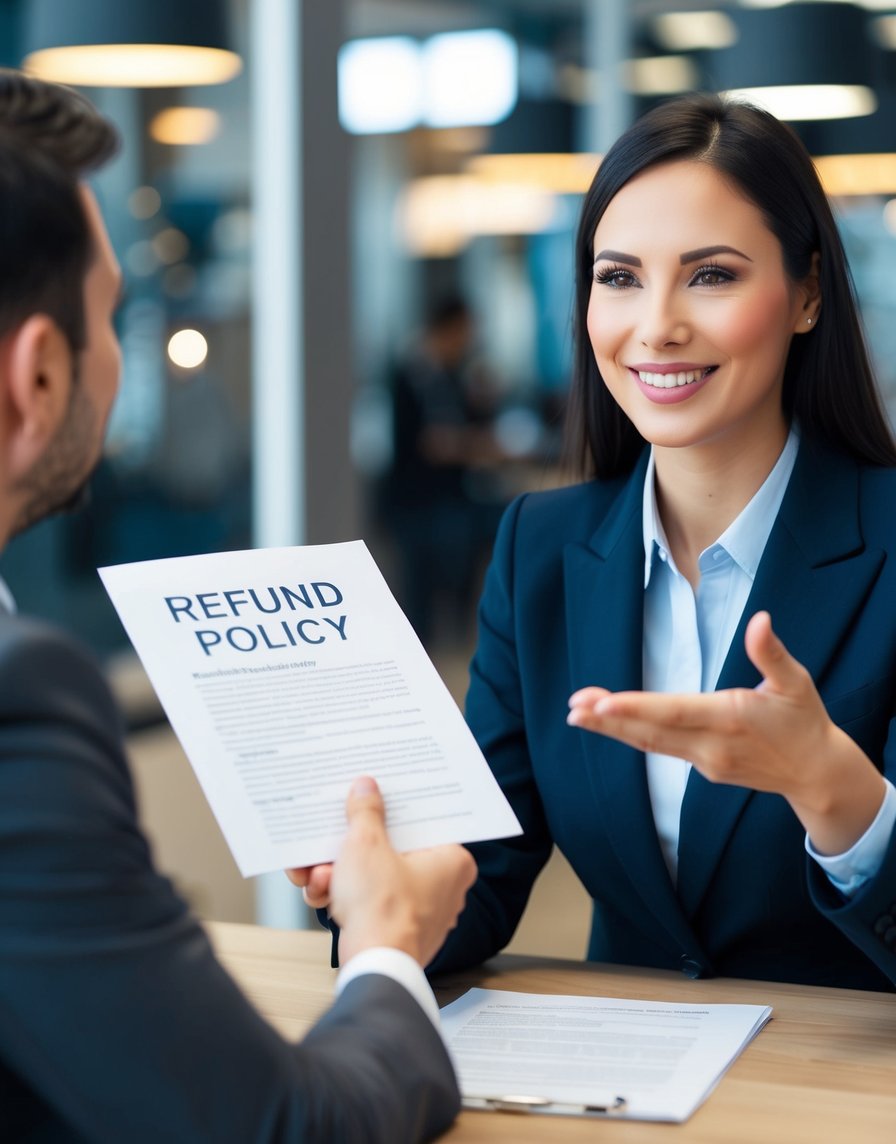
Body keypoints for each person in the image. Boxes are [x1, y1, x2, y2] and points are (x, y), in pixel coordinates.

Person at [0, 69, 475, 1142]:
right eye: (109, 314)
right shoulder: (19, 697)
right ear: (40, 377)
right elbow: (286, 1126)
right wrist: (387, 945)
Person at [419, 93, 896, 990]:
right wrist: (395, 894)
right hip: (628, 1071)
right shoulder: (540, 549)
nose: (657, 326)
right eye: (620, 278)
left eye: (711, 275)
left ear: (807, 294)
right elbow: (483, 874)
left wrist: (835, 790)